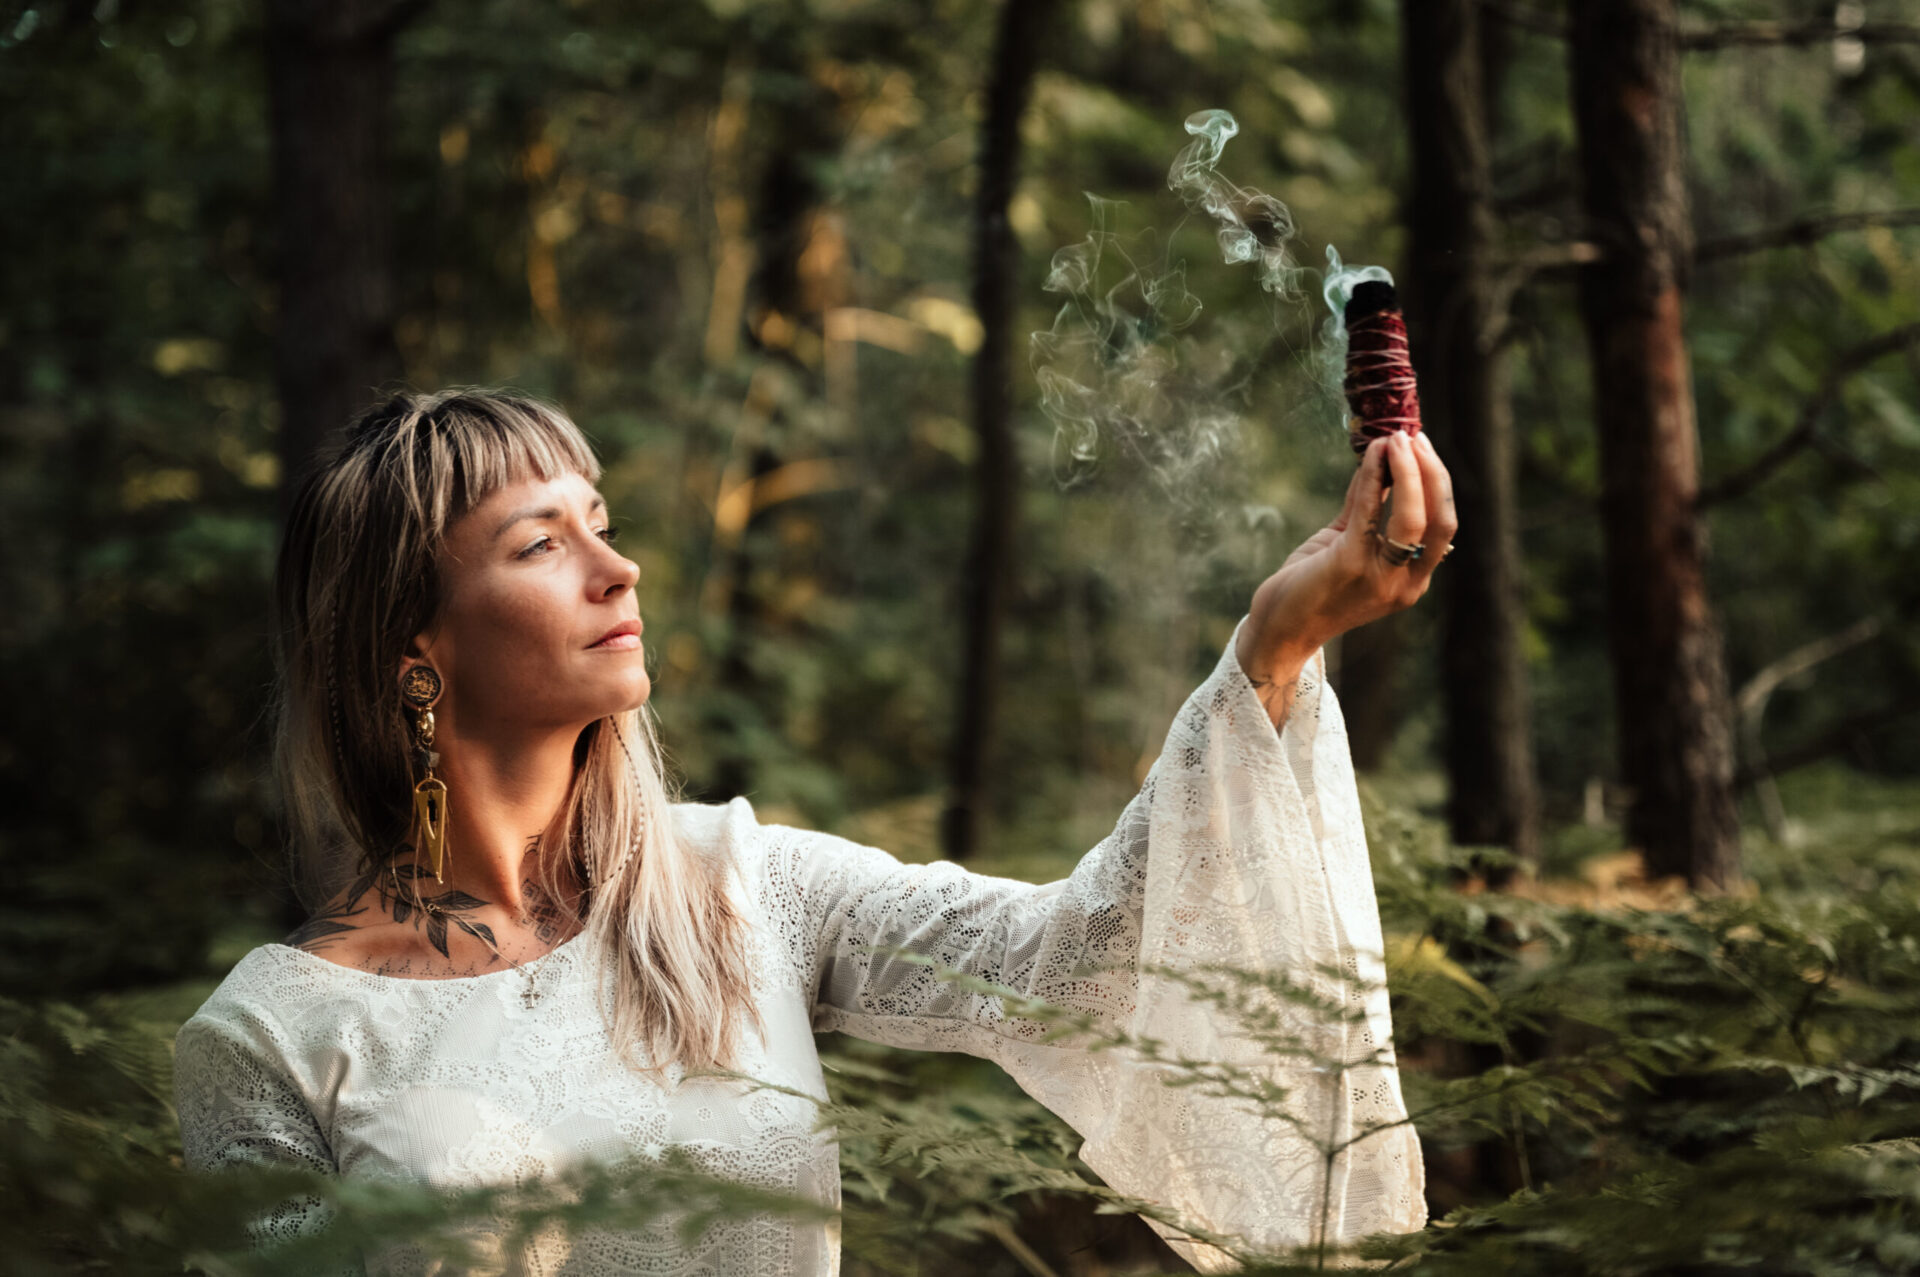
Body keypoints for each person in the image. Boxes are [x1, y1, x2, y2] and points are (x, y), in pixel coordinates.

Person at [173, 387, 1451, 1275]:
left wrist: (1273, 646)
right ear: (414, 648)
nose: (616, 571)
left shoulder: (742, 887)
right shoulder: (270, 1040)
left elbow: (1075, 957)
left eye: (602, 524)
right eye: (541, 543)